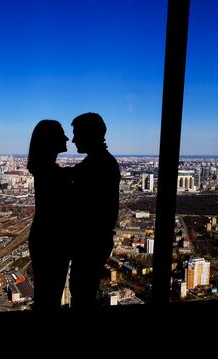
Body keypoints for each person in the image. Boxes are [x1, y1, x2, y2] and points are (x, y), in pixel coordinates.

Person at [69, 112, 121, 309]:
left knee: (82, 294)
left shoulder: (98, 164)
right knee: (83, 292)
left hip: (90, 243)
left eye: (77, 134)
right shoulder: (99, 162)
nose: (73, 139)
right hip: (94, 242)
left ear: (89, 135)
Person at [27, 119, 71, 311]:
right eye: (61, 134)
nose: (67, 137)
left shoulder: (45, 169)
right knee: (50, 298)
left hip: (45, 237)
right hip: (52, 240)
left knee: (46, 297)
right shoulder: (51, 172)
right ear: (49, 139)